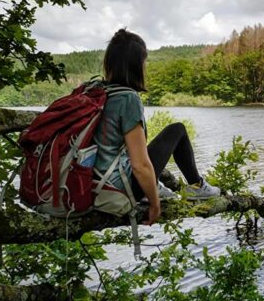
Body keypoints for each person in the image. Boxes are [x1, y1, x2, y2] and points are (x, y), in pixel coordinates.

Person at [92, 28, 220, 226]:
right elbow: (140, 165)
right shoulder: (128, 98)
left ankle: (159, 184)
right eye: (144, 61)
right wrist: (154, 204)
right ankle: (196, 186)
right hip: (117, 187)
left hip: (91, 184)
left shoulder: (96, 92)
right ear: (136, 65)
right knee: (177, 130)